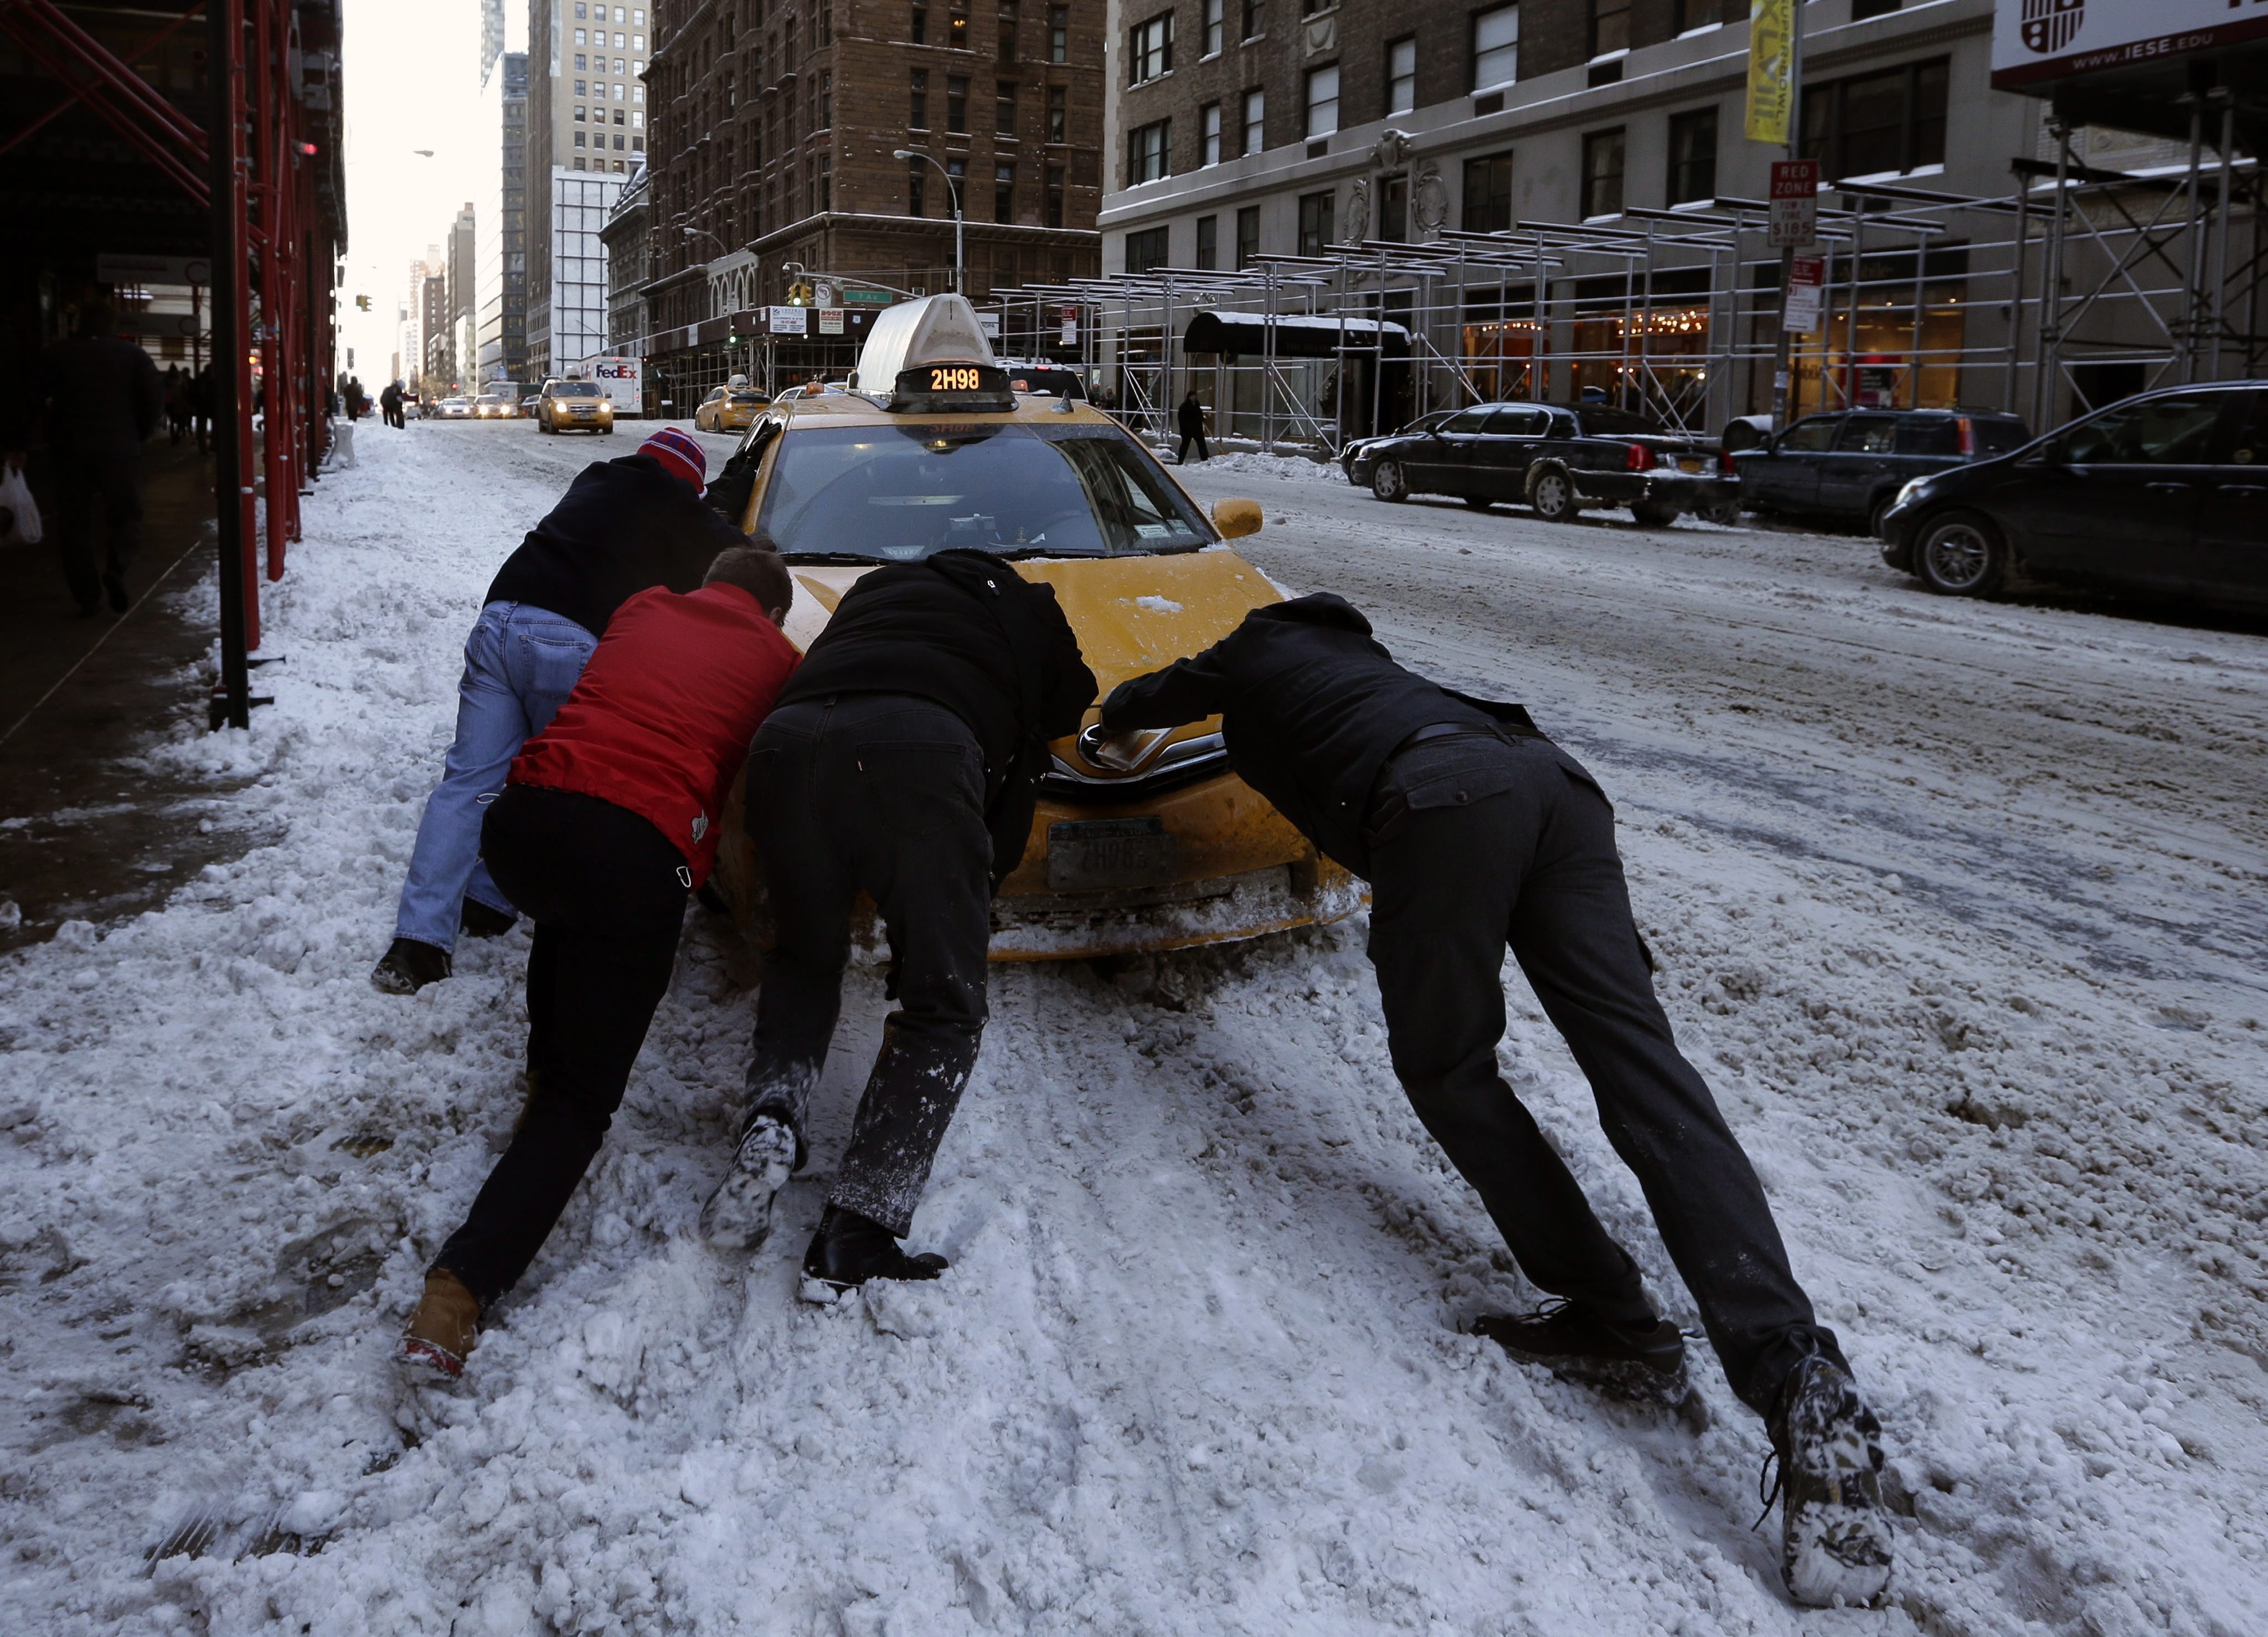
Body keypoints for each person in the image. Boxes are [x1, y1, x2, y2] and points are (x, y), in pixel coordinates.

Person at [1094, 593, 1894, 1610]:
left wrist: (1103, 720)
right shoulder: (1379, 672)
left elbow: (1144, 697)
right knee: (1648, 1076)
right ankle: (1791, 1367)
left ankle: (1614, 1315)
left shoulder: (1251, 649)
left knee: (1448, 1067)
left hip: (1439, 801)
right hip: (1554, 782)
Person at [400, 547, 802, 1382]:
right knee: (584, 1104)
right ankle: (456, 1297)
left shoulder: (646, 602)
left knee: (570, 906)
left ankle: (542, 1088)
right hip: (633, 853)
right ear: (769, 614)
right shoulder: (776, 659)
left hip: (525, 821)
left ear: (706, 584)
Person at [700, 548, 1095, 1296]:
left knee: (804, 958)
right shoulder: (1020, 602)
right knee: (943, 1000)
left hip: (788, 744)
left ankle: (775, 1117)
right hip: (920, 748)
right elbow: (1073, 699)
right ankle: (858, 1229)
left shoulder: (874, 592)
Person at [372, 426, 750, 995]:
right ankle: (514, 904)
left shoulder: (596, 477)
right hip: (568, 640)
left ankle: (421, 942)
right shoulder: (679, 503)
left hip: (500, 619)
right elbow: (735, 560)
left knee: (469, 783)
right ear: (690, 487)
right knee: (564, 786)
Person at [34, 298, 163, 617]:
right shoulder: (133, 356)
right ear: (113, 325)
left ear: (79, 321)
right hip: (119, 450)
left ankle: (87, 596)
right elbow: (153, 398)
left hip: (69, 450)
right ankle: (117, 567)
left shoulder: (56, 355)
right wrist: (140, 434)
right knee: (126, 516)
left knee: (73, 524)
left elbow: (34, 399)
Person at [1174, 390, 1209, 464]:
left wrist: (1202, 419)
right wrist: (1184, 429)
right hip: (1188, 431)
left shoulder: (1197, 405)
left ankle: (1205, 460)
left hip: (1197, 429)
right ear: (1189, 397)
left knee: (1202, 445)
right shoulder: (1184, 407)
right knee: (1185, 446)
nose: (1194, 398)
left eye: (1194, 396)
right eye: (1192, 396)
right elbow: (1182, 419)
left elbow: (1199, 415)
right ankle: (1180, 461)